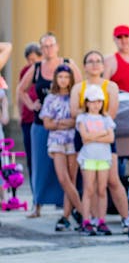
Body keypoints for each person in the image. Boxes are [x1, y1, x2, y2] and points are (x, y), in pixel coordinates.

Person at [17, 33, 82, 211]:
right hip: (42, 123)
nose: (48, 49)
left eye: (51, 45)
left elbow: (80, 88)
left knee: (67, 171)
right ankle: (37, 204)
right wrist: (32, 105)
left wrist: (76, 113)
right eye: (44, 46)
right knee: (39, 165)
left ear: (57, 46)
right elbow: (21, 89)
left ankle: (69, 206)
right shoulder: (37, 67)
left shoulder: (68, 63)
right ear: (41, 49)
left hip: (68, 125)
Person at [71, 50, 129, 231]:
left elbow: (110, 113)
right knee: (90, 183)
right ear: (85, 66)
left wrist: (95, 135)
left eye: (98, 61)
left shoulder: (110, 86)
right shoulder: (78, 87)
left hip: (105, 135)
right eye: (90, 61)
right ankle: (94, 219)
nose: (95, 64)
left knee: (111, 179)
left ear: (103, 66)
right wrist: (90, 132)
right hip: (85, 136)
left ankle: (126, 217)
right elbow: (75, 112)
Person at [39, 65, 83, 231]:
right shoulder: (51, 98)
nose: (63, 80)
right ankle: (83, 213)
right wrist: (63, 123)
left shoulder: (75, 96)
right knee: (63, 178)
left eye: (66, 77)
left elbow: (77, 120)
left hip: (73, 140)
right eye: (60, 77)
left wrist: (59, 123)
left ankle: (65, 216)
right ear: (56, 79)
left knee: (72, 178)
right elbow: (47, 123)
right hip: (57, 141)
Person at [76, 85, 116, 236]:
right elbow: (85, 137)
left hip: (103, 158)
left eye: (99, 101)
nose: (96, 105)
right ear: (86, 103)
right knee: (89, 189)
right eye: (93, 101)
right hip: (89, 158)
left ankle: (101, 220)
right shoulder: (83, 118)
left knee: (101, 189)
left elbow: (111, 138)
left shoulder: (106, 119)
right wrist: (102, 133)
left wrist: (94, 135)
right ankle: (86, 220)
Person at [17, 43, 43, 214]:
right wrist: (21, 112)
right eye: (30, 60)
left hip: (46, 118)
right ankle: (36, 201)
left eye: (35, 59)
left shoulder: (47, 70)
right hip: (28, 118)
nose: (32, 63)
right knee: (32, 160)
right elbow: (20, 92)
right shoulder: (25, 72)